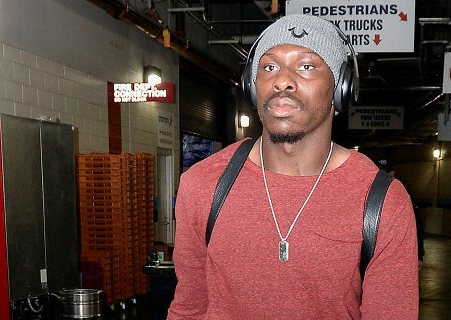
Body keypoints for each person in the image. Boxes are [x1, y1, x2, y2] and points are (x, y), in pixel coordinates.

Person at [168, 14, 418, 319]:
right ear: (251, 85)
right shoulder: (202, 185)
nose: (282, 80)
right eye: (269, 67)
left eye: (306, 66)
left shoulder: (382, 201)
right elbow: (188, 310)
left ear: (341, 87)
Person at [378, 159, 425, 270]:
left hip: (397, 254)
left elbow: (417, 226)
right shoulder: (365, 194)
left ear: (393, 173)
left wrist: (418, 255)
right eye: (380, 172)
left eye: (387, 172)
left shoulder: (404, 195)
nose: (383, 176)